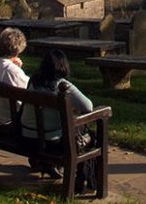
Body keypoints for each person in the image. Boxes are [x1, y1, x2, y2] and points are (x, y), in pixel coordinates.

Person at [21, 49, 95, 190]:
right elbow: (88, 106)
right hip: (50, 142)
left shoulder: (34, 81)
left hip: (26, 137)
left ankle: (47, 164)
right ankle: (83, 179)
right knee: (87, 135)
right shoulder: (62, 86)